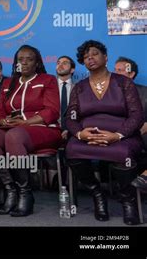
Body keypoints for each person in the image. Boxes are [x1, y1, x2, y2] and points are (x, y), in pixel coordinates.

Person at [65, 41, 144, 225]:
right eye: (85, 56)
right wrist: (80, 134)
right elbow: (71, 117)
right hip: (88, 138)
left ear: (105, 57)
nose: (90, 58)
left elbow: (136, 115)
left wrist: (117, 135)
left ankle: (128, 200)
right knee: (71, 149)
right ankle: (97, 193)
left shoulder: (123, 83)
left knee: (122, 153)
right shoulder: (80, 87)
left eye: (94, 53)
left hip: (122, 137)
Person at [0, 45, 62, 217]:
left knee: (14, 135)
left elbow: (52, 111)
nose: (24, 63)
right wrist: (3, 120)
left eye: (29, 59)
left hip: (44, 129)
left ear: (37, 63)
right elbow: (2, 110)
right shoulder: (8, 83)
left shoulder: (47, 80)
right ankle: (10, 189)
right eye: (20, 59)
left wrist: (26, 122)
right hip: (14, 128)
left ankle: (25, 193)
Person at [113, 56, 147, 192]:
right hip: (116, 135)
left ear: (131, 74)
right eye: (114, 70)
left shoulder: (144, 92)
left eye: (120, 70)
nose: (115, 73)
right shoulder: (107, 93)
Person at [55, 55, 76, 139]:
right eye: (58, 63)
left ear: (72, 69)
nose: (60, 65)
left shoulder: (79, 88)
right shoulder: (48, 87)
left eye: (65, 63)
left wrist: (70, 129)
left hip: (72, 131)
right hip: (51, 129)